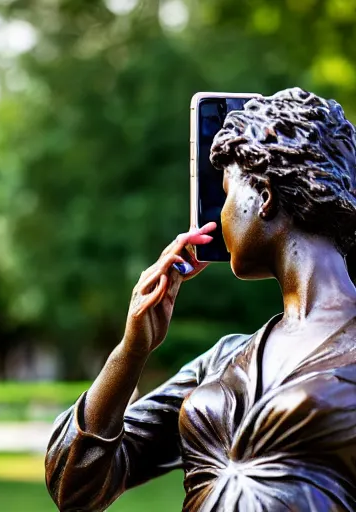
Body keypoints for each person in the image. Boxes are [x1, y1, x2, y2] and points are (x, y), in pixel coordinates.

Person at [45, 88, 356, 511]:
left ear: (263, 195)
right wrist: (131, 350)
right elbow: (75, 484)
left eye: (228, 192)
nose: (221, 216)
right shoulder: (225, 360)